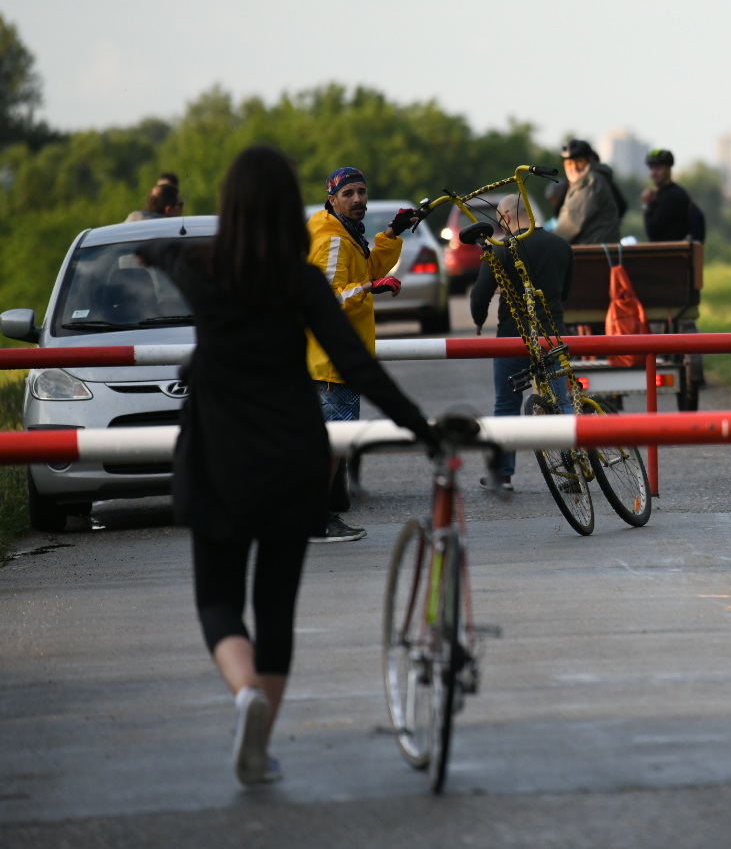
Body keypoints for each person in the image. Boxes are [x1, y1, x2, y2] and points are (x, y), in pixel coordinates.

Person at [141, 145, 435, 787]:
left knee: (218, 601)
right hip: (289, 459)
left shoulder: (200, 265)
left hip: (218, 457)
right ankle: (261, 742)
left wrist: (150, 244)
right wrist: (423, 430)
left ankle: (244, 691)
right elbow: (356, 366)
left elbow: (157, 252)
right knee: (275, 611)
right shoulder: (300, 280)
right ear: (291, 206)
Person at [305, 166, 416, 543]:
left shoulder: (337, 229)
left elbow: (364, 268)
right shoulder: (332, 240)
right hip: (332, 360)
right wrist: (371, 286)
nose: (357, 200)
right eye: (349, 193)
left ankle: (318, 516)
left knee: (332, 443)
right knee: (333, 444)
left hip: (334, 357)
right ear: (332, 198)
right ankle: (317, 520)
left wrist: (393, 234)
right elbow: (328, 299)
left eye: (362, 192)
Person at [469, 192, 575, 491]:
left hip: (512, 339)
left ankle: (501, 475)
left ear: (505, 217)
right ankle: (576, 464)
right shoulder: (561, 246)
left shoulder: (501, 249)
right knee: (560, 402)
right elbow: (565, 292)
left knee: (506, 403)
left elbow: (480, 296)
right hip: (552, 338)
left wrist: (478, 320)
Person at [554, 139, 625, 245]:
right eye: (569, 164)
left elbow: (570, 222)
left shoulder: (590, 181)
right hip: (598, 250)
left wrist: (546, 243)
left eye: (579, 161)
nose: (574, 168)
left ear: (590, 160)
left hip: (594, 254)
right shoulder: (595, 179)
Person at [640, 148, 700, 242]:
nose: (654, 173)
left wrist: (646, 205)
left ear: (668, 169)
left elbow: (652, 231)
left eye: (658, 168)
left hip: (671, 253)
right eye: (651, 168)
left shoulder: (672, 195)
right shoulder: (665, 193)